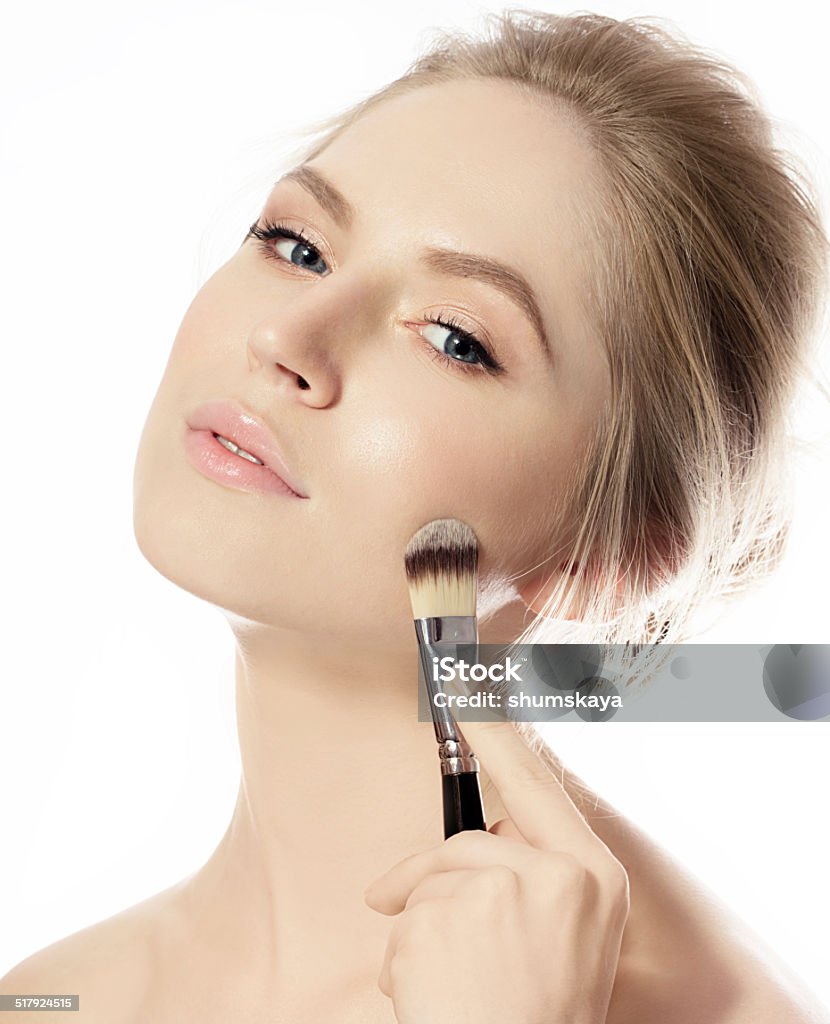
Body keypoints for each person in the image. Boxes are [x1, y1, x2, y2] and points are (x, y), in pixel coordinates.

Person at [2, 9, 828, 1022]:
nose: (286, 336)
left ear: (608, 554)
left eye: (451, 336)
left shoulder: (711, 1009)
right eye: (296, 245)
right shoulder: (56, 997)